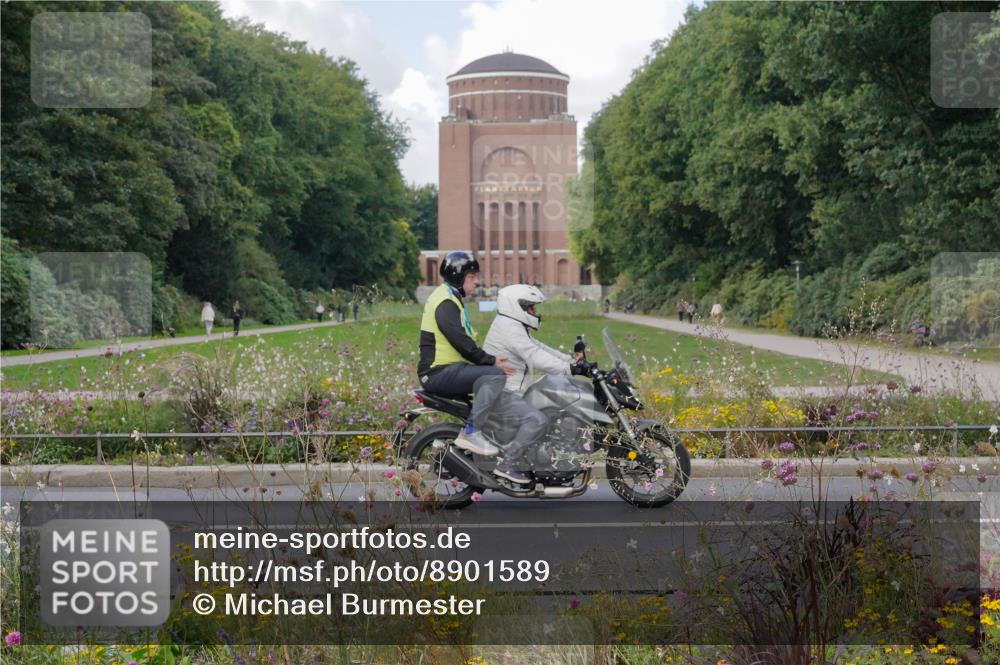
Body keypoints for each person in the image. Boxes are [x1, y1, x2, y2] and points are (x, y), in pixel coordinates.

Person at [482, 284, 586, 484]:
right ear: (517, 306)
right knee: (537, 420)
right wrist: (569, 369)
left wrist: (571, 361)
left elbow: (538, 347)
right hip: (503, 394)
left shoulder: (512, 325)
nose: (535, 312)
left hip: (511, 390)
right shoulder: (509, 327)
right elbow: (534, 356)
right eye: (531, 308)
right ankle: (508, 463)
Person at [418, 251, 515, 455]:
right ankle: (472, 433)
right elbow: (460, 341)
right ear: (457, 277)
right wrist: (490, 362)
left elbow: (464, 343)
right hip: (438, 373)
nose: (477, 282)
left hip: (448, 370)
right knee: (494, 376)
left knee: (491, 385)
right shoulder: (445, 302)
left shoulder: (450, 298)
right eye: (472, 277)